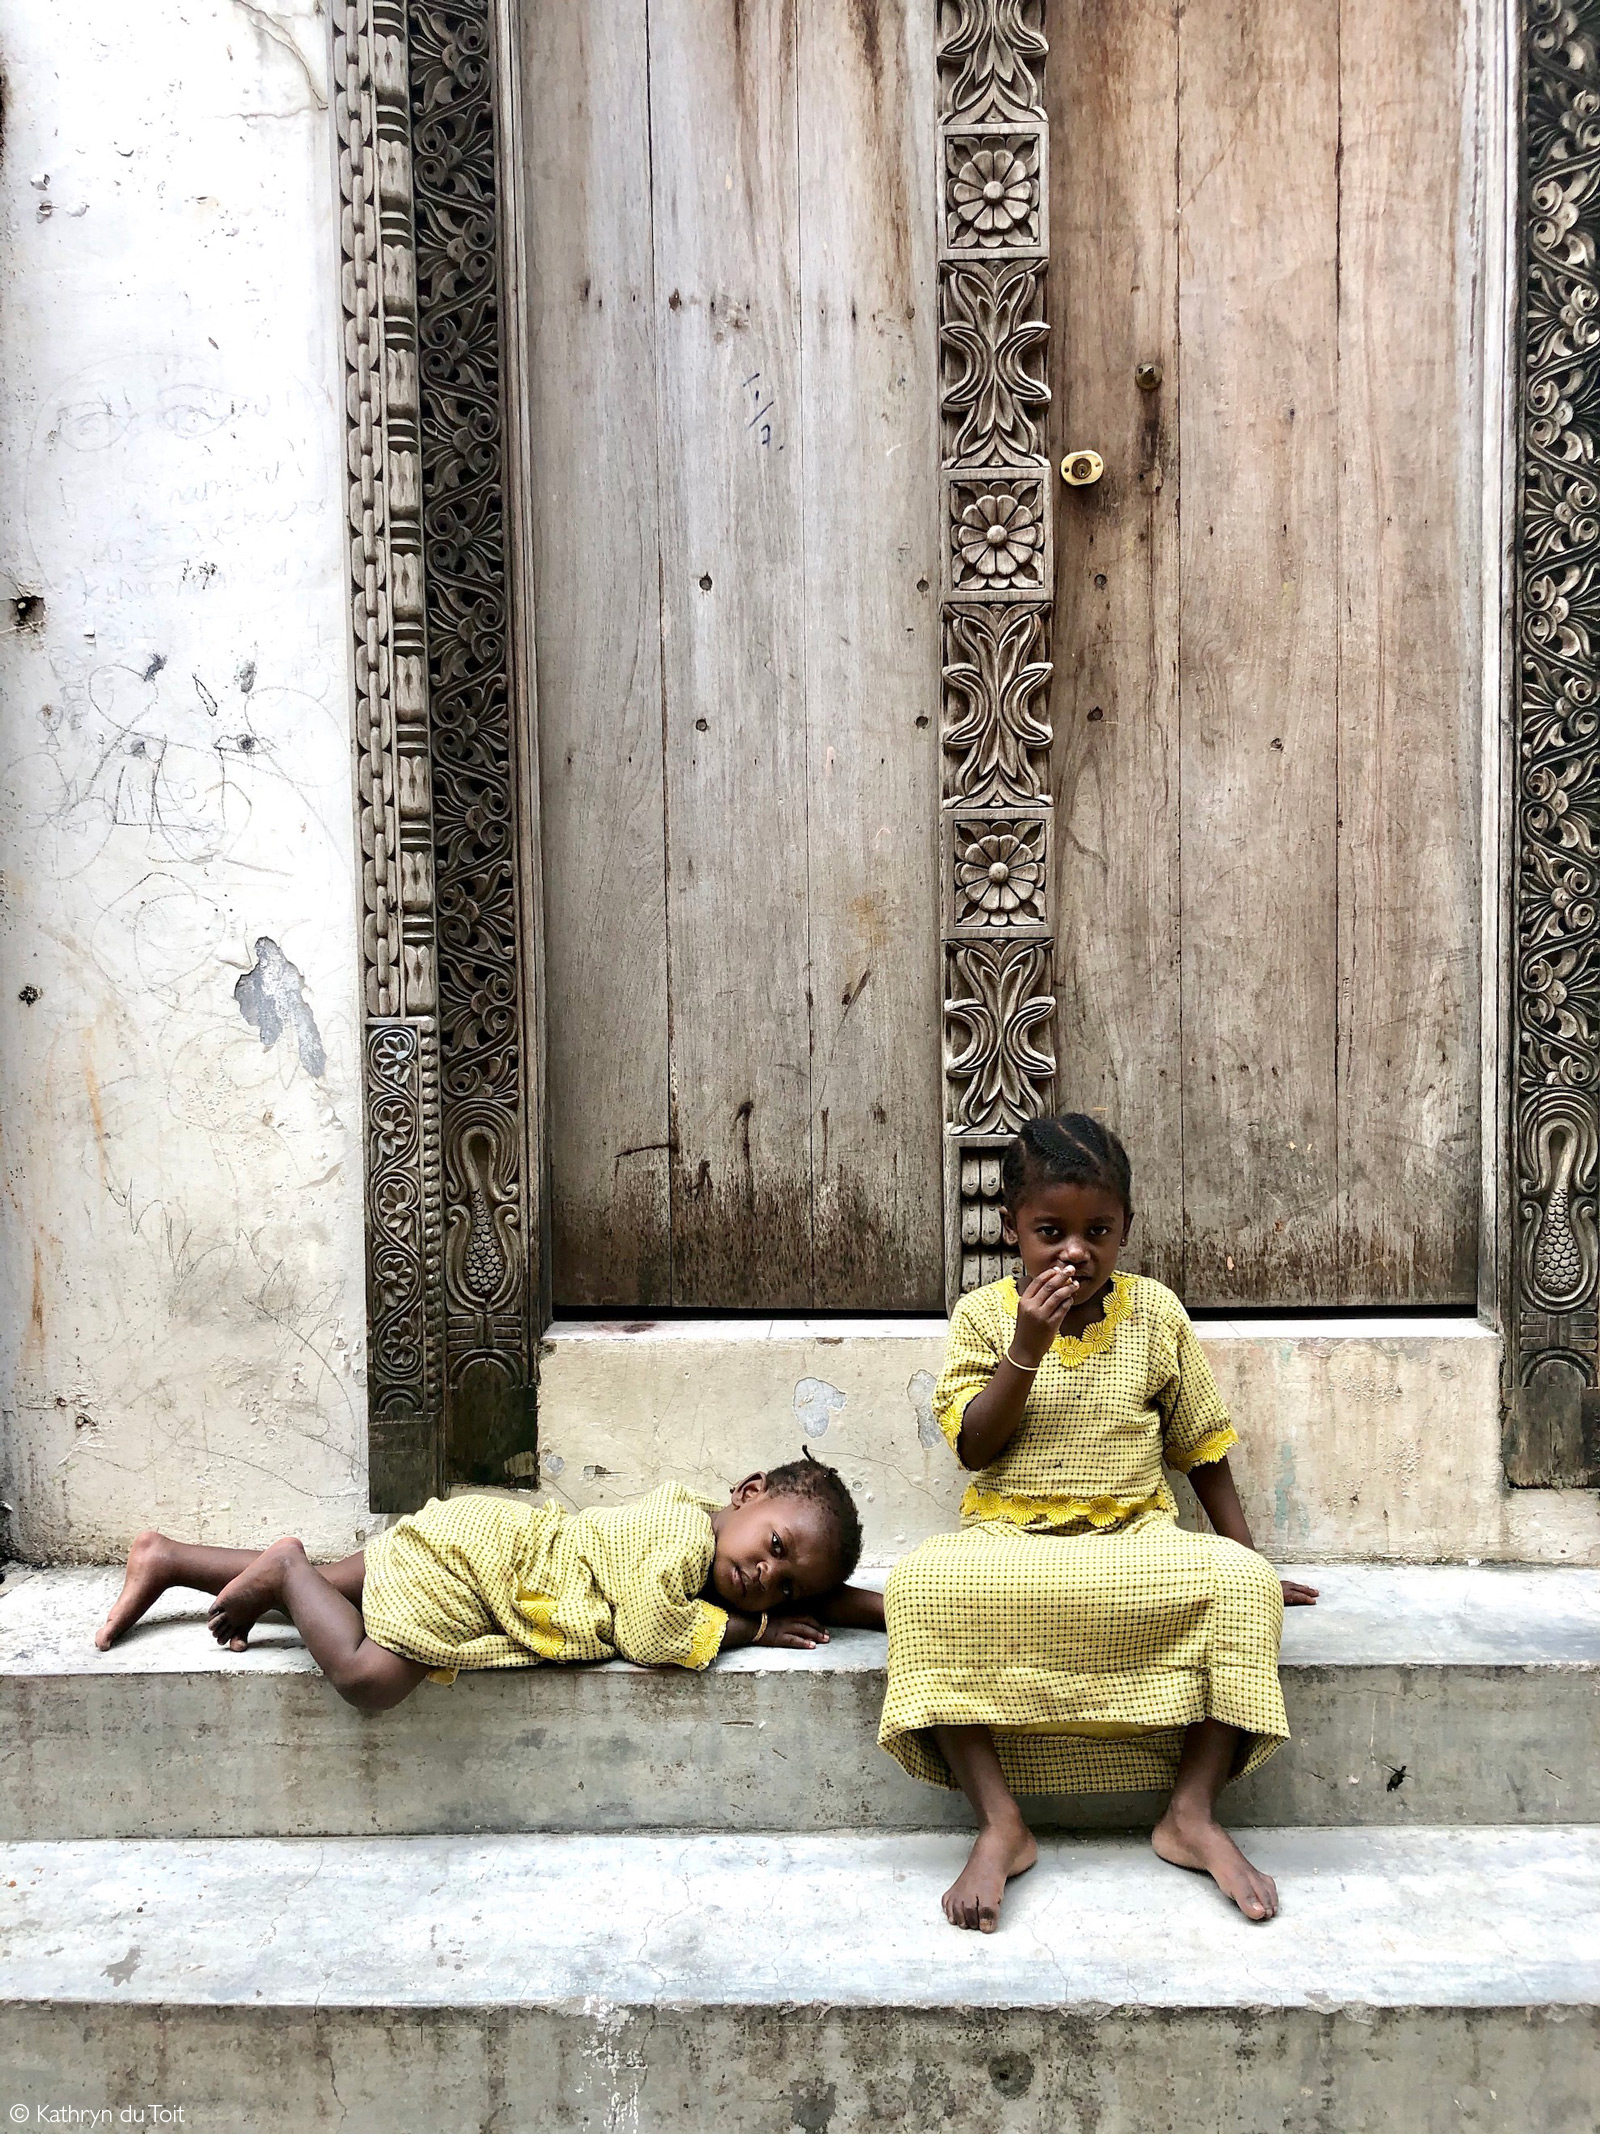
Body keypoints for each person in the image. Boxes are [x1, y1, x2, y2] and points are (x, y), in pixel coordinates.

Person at [880, 1113, 1318, 1933]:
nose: (1074, 1251)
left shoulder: (1152, 1313)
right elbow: (976, 1447)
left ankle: (1189, 1814)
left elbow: (1202, 1448)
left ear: (1125, 1231)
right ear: (1012, 1230)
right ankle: (1001, 1822)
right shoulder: (984, 1316)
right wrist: (1026, 1344)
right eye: (1050, 1231)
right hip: (1012, 1538)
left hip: (1135, 1537)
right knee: (919, 1589)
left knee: (1241, 1589)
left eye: (1097, 1232)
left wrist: (1249, 1562)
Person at [95, 1455, 885, 1708]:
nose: (765, 1576)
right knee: (371, 1677)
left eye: (784, 1588)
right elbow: (650, 1636)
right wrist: (753, 1630)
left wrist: (884, 1610)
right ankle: (284, 1566)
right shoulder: (681, 1540)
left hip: (482, 1538)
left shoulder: (708, 1532)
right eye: (775, 1545)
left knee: (340, 1590)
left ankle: (167, 1559)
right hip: (484, 1570)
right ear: (746, 1494)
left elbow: (814, 1592)